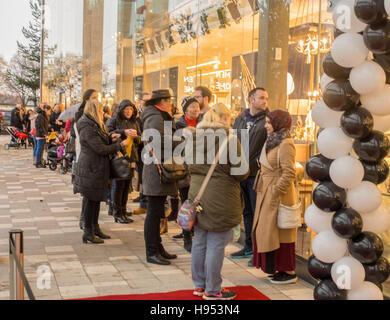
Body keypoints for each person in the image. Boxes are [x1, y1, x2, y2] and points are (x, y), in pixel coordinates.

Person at [188, 103, 249, 300]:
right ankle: (213, 290)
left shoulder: (194, 137)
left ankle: (199, 285)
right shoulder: (229, 140)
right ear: (223, 118)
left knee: (199, 241)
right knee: (216, 243)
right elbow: (242, 172)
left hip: (197, 194)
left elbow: (189, 164)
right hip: (220, 197)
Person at [74, 99, 130, 244]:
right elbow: (100, 148)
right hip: (91, 167)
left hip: (97, 167)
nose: (102, 113)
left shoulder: (94, 124)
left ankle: (95, 227)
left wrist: (112, 137)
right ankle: (88, 232)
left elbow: (103, 140)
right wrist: (119, 145)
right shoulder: (86, 125)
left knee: (96, 199)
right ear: (94, 110)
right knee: (91, 200)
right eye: (100, 110)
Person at [252, 110, 298, 284]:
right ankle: (275, 267)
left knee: (280, 231)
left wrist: (275, 191)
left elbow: (289, 172)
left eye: (268, 122)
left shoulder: (286, 143)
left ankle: (287, 270)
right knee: (268, 232)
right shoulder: (272, 140)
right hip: (266, 190)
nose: (265, 125)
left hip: (278, 194)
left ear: (278, 124)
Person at [230, 88, 269, 262]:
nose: (264, 101)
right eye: (261, 98)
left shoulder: (267, 121)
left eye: (266, 98)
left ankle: (258, 252)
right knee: (246, 212)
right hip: (240, 174)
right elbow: (233, 141)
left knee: (257, 213)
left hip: (256, 174)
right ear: (251, 99)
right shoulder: (240, 118)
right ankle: (248, 246)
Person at [141, 89, 179, 265]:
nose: (171, 103)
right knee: (154, 213)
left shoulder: (159, 115)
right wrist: (181, 140)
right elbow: (157, 140)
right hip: (156, 169)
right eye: (169, 100)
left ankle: (158, 247)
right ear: (162, 101)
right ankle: (152, 251)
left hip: (159, 168)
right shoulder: (156, 117)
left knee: (157, 212)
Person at [172, 96, 201, 252]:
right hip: (184, 169)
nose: (195, 109)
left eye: (197, 107)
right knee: (186, 203)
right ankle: (187, 236)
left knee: (199, 204)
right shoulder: (179, 125)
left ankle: (195, 230)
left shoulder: (203, 123)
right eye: (192, 107)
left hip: (199, 169)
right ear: (185, 109)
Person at [107, 99, 141, 224]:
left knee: (127, 186)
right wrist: (123, 132)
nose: (128, 112)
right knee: (118, 186)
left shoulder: (134, 122)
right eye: (126, 109)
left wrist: (136, 137)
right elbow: (108, 134)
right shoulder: (114, 120)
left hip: (131, 157)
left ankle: (123, 210)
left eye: (131, 109)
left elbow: (140, 139)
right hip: (119, 157)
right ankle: (117, 213)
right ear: (121, 110)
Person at [70, 89, 98, 230]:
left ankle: (91, 223)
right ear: (86, 99)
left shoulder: (96, 113)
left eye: (97, 97)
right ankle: (85, 221)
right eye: (93, 97)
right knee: (88, 192)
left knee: (92, 193)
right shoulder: (82, 116)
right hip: (85, 154)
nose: (96, 100)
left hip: (91, 155)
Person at [133, 92, 151, 215]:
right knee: (143, 178)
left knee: (148, 178)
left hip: (151, 151)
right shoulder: (137, 117)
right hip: (141, 150)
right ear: (140, 101)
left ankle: (145, 202)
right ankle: (143, 203)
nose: (147, 103)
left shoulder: (152, 115)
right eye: (145, 100)